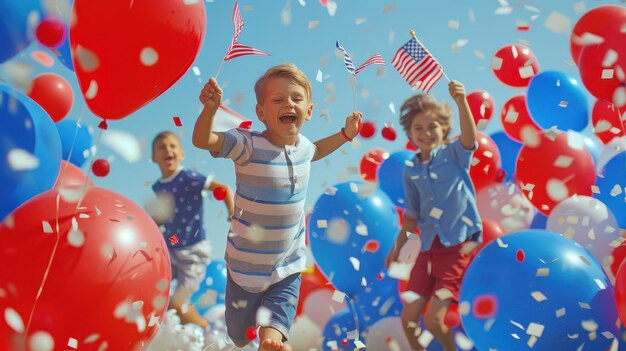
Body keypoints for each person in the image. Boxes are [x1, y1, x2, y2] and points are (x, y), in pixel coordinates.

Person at [192, 63, 362, 351]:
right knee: (238, 334)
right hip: (244, 267)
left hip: (287, 263)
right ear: (261, 113)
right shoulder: (246, 145)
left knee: (276, 322)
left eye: (296, 98)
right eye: (278, 99)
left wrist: (345, 135)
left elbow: (317, 150)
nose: (289, 104)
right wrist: (210, 110)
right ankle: (249, 338)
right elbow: (203, 140)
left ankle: (271, 341)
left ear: (309, 111)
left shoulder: (305, 147)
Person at [385, 81, 482, 351]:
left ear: (444, 129)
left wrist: (461, 101)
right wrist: (397, 248)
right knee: (409, 321)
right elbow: (412, 217)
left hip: (458, 244)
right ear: (410, 133)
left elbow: (470, 139)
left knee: (434, 321)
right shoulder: (410, 170)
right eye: (418, 128)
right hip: (427, 250)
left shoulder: (454, 154)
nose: (426, 133)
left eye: (432, 127)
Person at [151, 131, 235, 329]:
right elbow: (164, 216)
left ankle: (205, 327)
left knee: (177, 306)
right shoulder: (158, 187)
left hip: (194, 252)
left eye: (173, 146)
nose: (168, 150)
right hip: (171, 247)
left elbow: (222, 188)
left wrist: (231, 210)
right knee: (151, 288)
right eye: (161, 147)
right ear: (154, 158)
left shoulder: (188, 177)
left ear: (182, 154)